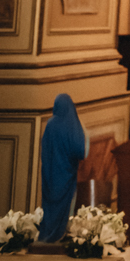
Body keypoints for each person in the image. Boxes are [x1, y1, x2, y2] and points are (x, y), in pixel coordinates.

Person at [39, 93, 88, 241]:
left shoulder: (50, 124)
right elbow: (80, 151)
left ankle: (47, 235)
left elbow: (45, 149)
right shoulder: (72, 125)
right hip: (66, 175)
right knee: (65, 207)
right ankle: (61, 235)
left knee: (49, 207)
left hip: (49, 174)